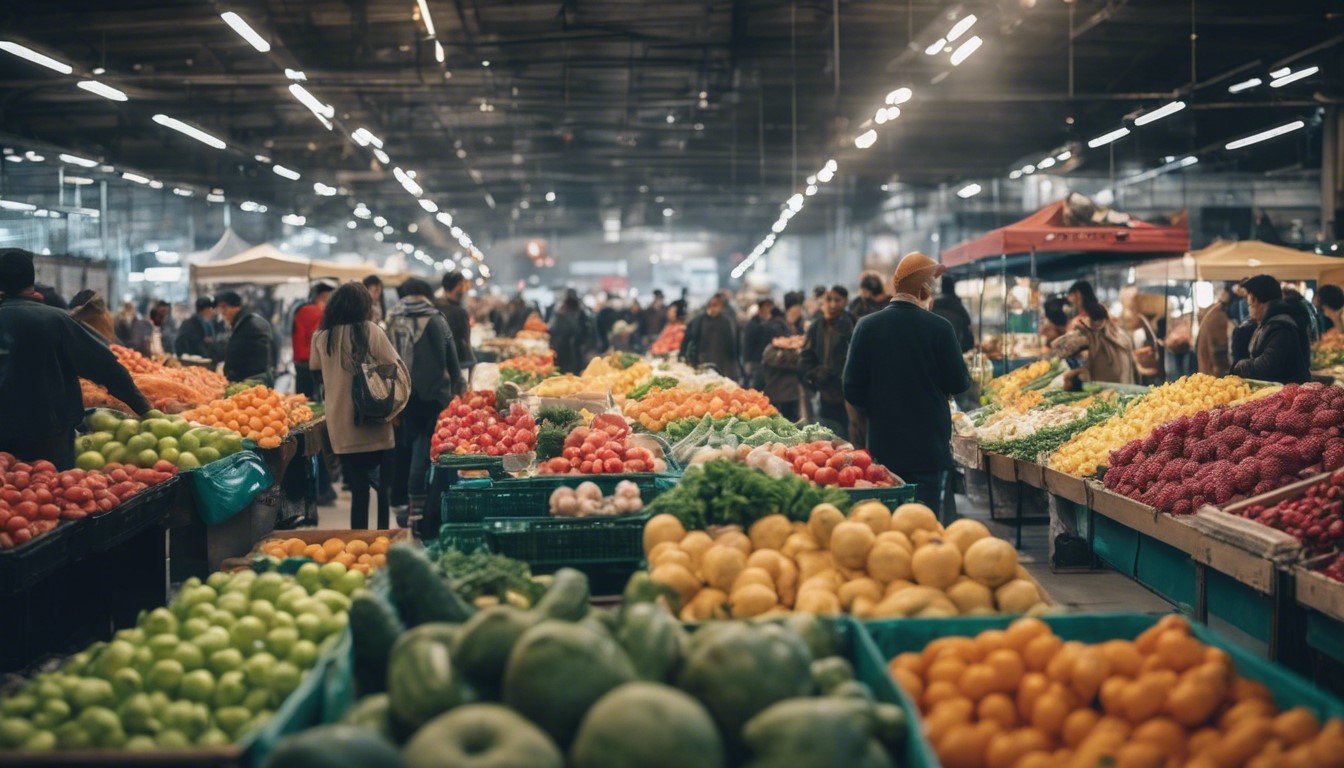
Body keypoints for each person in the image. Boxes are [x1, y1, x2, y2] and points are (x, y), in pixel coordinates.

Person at [843, 252, 971, 517]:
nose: (934, 288)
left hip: (884, 445)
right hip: (929, 447)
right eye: (931, 283)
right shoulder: (940, 328)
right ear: (923, 288)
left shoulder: (867, 327)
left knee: (886, 522)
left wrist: (879, 408)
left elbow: (852, 388)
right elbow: (959, 382)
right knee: (924, 522)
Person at [0, 249, 152, 468]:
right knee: (55, 494)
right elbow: (106, 368)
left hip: (4, 440)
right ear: (32, 279)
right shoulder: (56, 320)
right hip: (51, 440)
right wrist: (145, 409)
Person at [310, 283, 403, 529]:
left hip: (341, 425)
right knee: (383, 490)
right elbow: (394, 367)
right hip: (374, 420)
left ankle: (358, 540)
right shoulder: (371, 331)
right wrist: (396, 407)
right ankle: (382, 536)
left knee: (358, 491)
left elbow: (317, 374)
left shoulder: (321, 337)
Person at [386, 278, 465, 528]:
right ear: (425, 294)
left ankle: (400, 504)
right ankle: (417, 511)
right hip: (431, 395)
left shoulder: (391, 318)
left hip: (400, 395)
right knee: (423, 453)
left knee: (402, 448)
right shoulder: (434, 318)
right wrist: (459, 391)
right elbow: (452, 358)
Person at [1052, 281, 1137, 387]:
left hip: (1097, 367)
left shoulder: (1080, 320)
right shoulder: (1101, 309)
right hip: (1113, 362)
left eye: (1070, 296)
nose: (1069, 301)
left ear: (1078, 294)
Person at [1231, 275, 1312, 384]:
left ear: (1254, 299)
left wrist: (1240, 365)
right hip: (1277, 392)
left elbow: (1266, 367)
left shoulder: (1281, 327)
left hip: (1288, 396)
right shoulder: (1266, 323)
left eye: (1249, 299)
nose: (1248, 304)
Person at [801, 286, 855, 440]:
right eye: (829, 300)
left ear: (845, 301)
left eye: (837, 300)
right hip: (823, 392)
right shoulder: (816, 326)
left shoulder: (852, 324)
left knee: (846, 437)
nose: (832, 304)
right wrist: (813, 375)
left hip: (846, 395)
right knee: (826, 436)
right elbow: (807, 355)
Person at [217, 291, 275, 384]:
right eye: (220, 308)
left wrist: (232, 375)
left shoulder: (251, 324)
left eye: (224, 307)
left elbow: (252, 357)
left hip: (252, 383)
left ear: (236, 307)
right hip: (248, 381)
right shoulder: (243, 323)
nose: (222, 312)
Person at [683, 294, 740, 378]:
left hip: (721, 361)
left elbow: (730, 343)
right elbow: (692, 339)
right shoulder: (700, 319)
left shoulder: (725, 321)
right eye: (717, 306)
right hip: (702, 359)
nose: (719, 309)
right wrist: (691, 358)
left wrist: (732, 362)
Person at [292, 283, 333, 399]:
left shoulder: (300, 309)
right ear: (323, 296)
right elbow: (320, 337)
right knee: (315, 400)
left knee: (302, 399)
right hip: (311, 361)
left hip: (299, 361)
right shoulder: (317, 312)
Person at [438, 271, 475, 381]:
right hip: (458, 363)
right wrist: (473, 362)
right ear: (459, 285)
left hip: (439, 363)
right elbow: (466, 341)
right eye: (463, 284)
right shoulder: (460, 312)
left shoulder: (434, 307)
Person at [741, 297, 785, 389]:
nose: (768, 309)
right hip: (757, 362)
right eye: (766, 306)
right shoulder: (752, 324)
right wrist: (747, 362)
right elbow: (747, 344)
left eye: (769, 306)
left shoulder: (778, 323)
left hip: (774, 363)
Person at [1196, 284, 1236, 377]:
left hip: (1207, 372)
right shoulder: (1219, 316)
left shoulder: (1213, 311)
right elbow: (1218, 352)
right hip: (1213, 376)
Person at [931, 275, 975, 353]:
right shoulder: (958, 306)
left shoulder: (934, 306)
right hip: (955, 349)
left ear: (942, 287)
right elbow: (967, 322)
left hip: (936, 348)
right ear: (953, 287)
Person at [549, 292, 588, 374]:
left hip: (560, 351)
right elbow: (577, 332)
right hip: (567, 353)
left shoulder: (558, 316)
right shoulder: (567, 318)